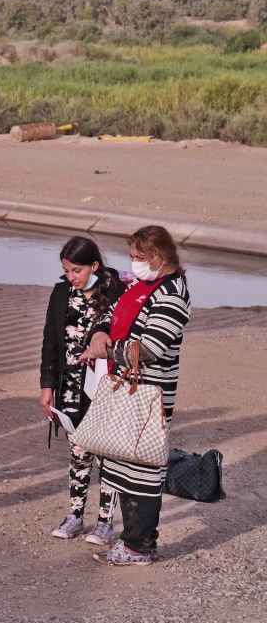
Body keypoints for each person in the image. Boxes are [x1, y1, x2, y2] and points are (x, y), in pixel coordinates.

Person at [82, 225, 191, 566]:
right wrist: (100, 333)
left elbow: (153, 349)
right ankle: (131, 542)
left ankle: (139, 547)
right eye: (132, 257)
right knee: (121, 462)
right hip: (126, 387)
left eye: (139, 258)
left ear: (160, 257)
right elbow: (112, 317)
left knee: (142, 467)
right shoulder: (144, 285)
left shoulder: (172, 294)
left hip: (149, 393)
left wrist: (107, 353)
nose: (134, 263)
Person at [40, 236, 127, 545]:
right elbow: (50, 340)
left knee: (105, 454)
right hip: (71, 386)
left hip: (105, 387)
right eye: (66, 270)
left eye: (76, 270)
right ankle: (75, 516)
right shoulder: (61, 292)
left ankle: (105, 522)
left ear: (94, 265)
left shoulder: (116, 290)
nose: (70, 277)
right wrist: (47, 386)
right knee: (78, 451)